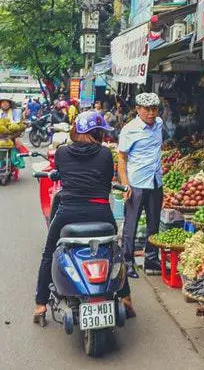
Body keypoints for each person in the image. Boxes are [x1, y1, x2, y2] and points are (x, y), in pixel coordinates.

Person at [33, 111, 134, 323]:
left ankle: (41, 305)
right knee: (116, 251)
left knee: (48, 254)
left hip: (68, 213)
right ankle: (126, 299)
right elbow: (107, 180)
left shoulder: (61, 153)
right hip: (101, 213)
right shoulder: (106, 154)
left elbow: (60, 173)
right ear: (97, 133)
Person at [118, 93, 163, 278]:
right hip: (136, 183)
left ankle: (151, 259)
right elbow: (121, 158)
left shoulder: (159, 124)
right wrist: (125, 184)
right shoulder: (129, 130)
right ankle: (127, 262)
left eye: (155, 109)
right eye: (147, 110)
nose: (152, 113)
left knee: (154, 224)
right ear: (138, 110)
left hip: (155, 182)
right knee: (131, 225)